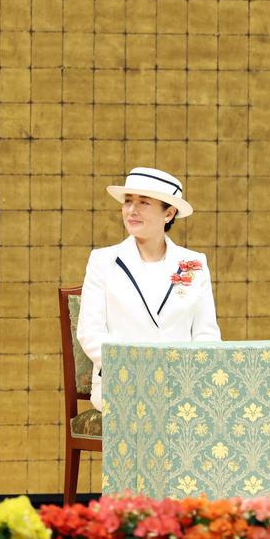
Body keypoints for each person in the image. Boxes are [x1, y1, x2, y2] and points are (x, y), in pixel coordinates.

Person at [77, 167, 221, 411]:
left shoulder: (194, 264)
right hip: (123, 384)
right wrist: (139, 370)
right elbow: (90, 333)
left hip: (182, 385)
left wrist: (190, 377)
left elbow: (207, 335)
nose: (132, 210)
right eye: (128, 201)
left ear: (169, 213)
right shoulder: (103, 261)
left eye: (144, 203)